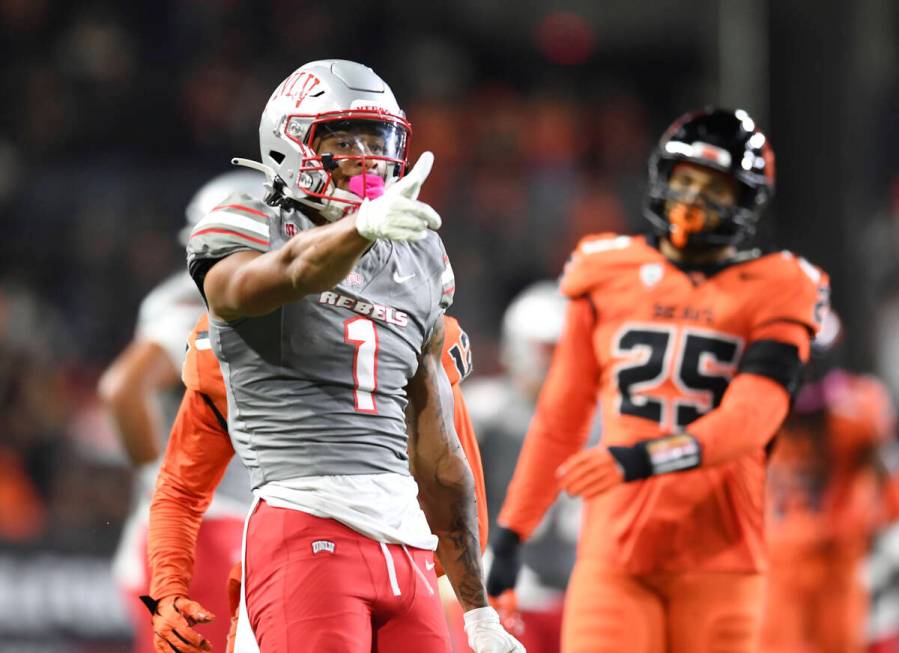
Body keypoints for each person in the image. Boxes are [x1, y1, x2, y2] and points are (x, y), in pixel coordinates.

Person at [156, 59, 523, 652]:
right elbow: (286, 272)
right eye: (343, 138)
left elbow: (441, 455)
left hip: (405, 545)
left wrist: (478, 609)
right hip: (305, 525)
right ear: (291, 145)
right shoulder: (249, 226)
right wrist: (167, 582)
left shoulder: (419, 256)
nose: (366, 156)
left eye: (377, 139)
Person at [486, 108, 830, 653]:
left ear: (745, 201)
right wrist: (509, 536)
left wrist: (640, 458)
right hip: (616, 555)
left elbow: (753, 416)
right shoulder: (607, 270)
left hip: (721, 558)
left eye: (713, 187)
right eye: (685, 179)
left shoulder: (778, 285)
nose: (692, 198)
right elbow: (561, 419)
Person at [144, 309, 490, 653]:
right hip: (336, 557)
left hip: (368, 561)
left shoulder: (418, 328)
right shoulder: (239, 335)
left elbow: (462, 505)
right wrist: (169, 587)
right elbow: (180, 491)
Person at [97, 170, 261, 653]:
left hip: (227, 522)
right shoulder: (196, 300)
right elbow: (122, 389)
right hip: (208, 529)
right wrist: (162, 484)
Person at [453, 281, 582, 653]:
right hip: (509, 594)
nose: (559, 363)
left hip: (582, 593)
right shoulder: (487, 412)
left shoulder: (607, 419)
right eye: (550, 350)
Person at [761, 312, 898, 653]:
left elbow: (887, 482)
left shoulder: (858, 414)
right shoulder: (759, 410)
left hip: (838, 565)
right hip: (778, 566)